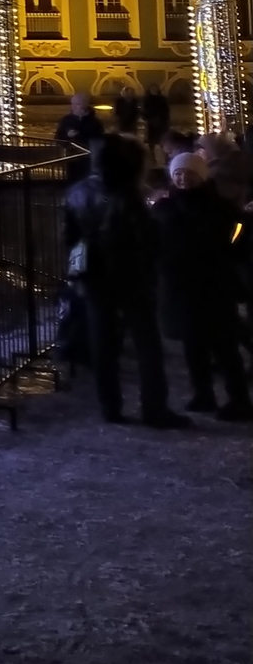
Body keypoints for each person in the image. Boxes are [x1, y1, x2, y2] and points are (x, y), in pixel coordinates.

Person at [64, 139, 188, 429]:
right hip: (130, 276)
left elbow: (70, 238)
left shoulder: (77, 192)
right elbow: (147, 240)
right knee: (147, 344)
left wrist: (76, 271)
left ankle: (110, 405)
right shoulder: (129, 195)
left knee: (102, 342)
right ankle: (154, 407)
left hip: (93, 274)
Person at [153, 151, 253, 420]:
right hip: (180, 284)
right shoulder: (164, 207)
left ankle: (238, 399)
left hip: (212, 283)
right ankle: (203, 393)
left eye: (189, 173)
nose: (183, 178)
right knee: (192, 343)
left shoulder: (221, 208)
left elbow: (238, 239)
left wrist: (226, 257)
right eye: (178, 173)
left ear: (201, 176)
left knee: (224, 344)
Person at [141, 84, 171, 150]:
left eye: (155, 89)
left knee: (162, 139)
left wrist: (164, 119)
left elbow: (166, 110)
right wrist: (148, 118)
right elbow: (144, 110)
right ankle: (152, 154)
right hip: (151, 122)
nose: (154, 90)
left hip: (161, 121)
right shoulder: (147, 99)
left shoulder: (162, 99)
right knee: (151, 140)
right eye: (152, 89)